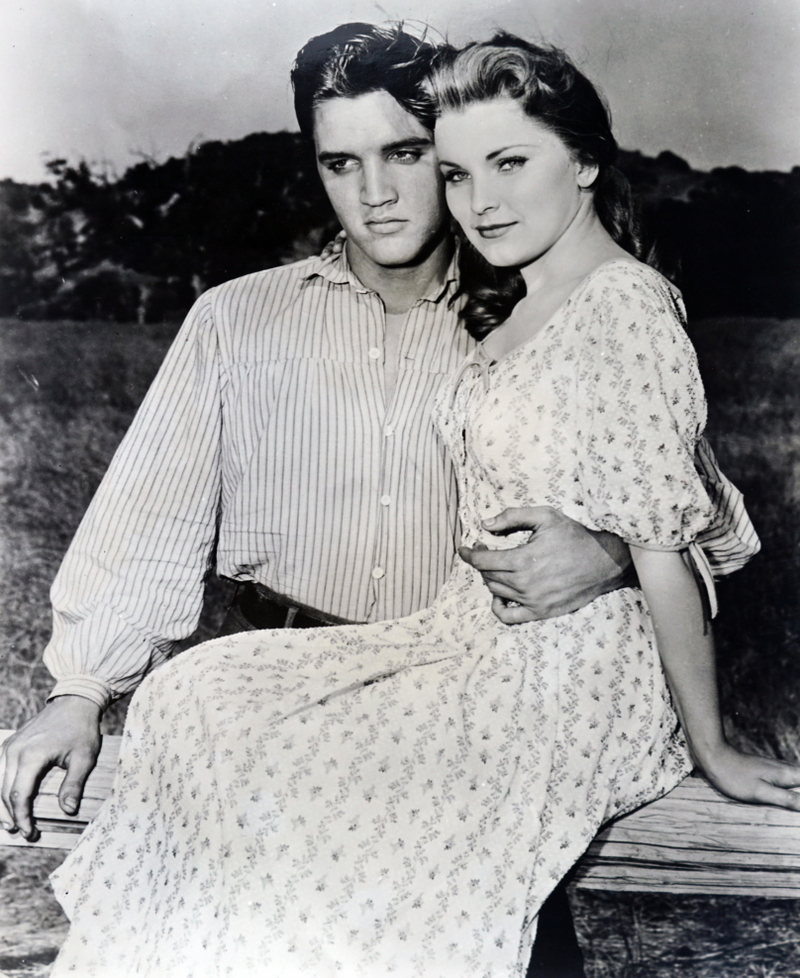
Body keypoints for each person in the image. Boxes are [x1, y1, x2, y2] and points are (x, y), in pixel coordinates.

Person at [39, 28, 800, 978]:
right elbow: (143, 522)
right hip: (329, 671)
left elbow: (694, 518)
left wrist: (606, 548)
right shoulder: (239, 318)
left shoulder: (535, 309)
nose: (379, 191)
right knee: (212, 765)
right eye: (341, 162)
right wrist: (79, 692)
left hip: (503, 697)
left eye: (405, 155)